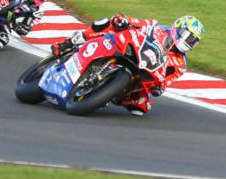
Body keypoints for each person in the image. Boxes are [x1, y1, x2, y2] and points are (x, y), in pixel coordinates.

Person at [47, 14, 205, 115]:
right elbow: (136, 23)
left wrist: (159, 87)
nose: (189, 42)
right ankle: (68, 43)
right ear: (178, 28)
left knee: (142, 107)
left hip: (142, 74)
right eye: (188, 36)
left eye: (193, 41)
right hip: (129, 50)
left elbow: (166, 81)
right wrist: (123, 21)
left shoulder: (180, 63)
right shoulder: (156, 27)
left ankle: (105, 93)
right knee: (106, 23)